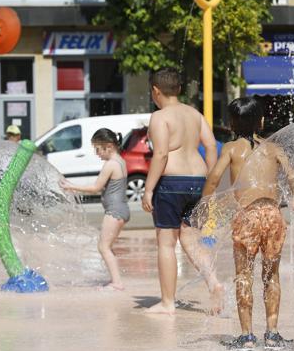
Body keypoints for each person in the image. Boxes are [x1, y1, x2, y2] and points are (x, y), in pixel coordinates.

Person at [202, 97, 294, 351]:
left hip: (246, 216)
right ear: (261, 121)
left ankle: (247, 336)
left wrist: (205, 208)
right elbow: (292, 177)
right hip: (272, 214)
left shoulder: (231, 149)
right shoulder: (273, 148)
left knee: (244, 275)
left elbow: (214, 180)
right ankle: (272, 334)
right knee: (271, 275)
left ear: (231, 123)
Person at [142, 67, 224, 315]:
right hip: (198, 181)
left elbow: (162, 154)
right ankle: (213, 282)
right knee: (189, 238)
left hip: (171, 184)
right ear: (178, 89)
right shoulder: (195, 114)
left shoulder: (160, 117)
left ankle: (168, 302)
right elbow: (211, 146)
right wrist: (210, 181)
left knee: (166, 243)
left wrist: (148, 189)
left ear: (156, 91)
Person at [60, 128, 129, 291]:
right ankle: (114, 278)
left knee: (103, 247)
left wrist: (71, 186)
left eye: (98, 149)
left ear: (109, 146)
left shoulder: (111, 164)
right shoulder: (121, 161)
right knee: (108, 246)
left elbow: (96, 187)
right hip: (121, 209)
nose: (97, 153)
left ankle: (117, 283)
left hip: (114, 211)